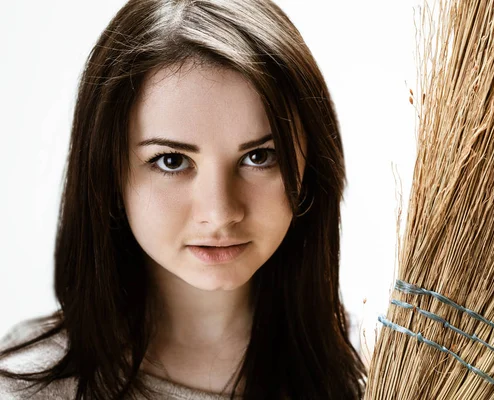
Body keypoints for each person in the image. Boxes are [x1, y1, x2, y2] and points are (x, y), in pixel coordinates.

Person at [0, 0, 366, 399]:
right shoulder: (27, 387)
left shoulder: (372, 369)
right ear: (108, 172)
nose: (220, 213)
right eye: (171, 161)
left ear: (312, 162)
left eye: (259, 156)